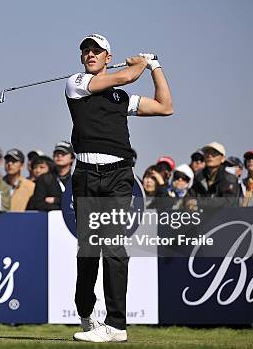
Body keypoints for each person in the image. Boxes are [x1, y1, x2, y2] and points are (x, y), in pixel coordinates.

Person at [65, 34, 172, 342]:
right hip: (86, 175)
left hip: (118, 177)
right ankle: (86, 311)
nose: (89, 54)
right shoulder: (76, 83)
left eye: (96, 50)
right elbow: (126, 76)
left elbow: (166, 106)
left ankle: (116, 326)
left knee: (114, 247)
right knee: (88, 250)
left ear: (107, 57)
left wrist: (155, 66)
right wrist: (139, 64)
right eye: (85, 50)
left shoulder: (121, 99)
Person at [187, 142, 241, 209]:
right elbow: (190, 195)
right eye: (207, 153)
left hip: (222, 217)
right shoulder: (198, 177)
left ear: (223, 159)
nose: (210, 156)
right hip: (200, 217)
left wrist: (200, 203)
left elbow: (228, 202)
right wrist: (189, 202)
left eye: (214, 153)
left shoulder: (230, 178)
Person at [28, 141, 74, 211]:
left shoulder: (77, 178)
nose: (59, 156)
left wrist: (56, 200)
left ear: (72, 158)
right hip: (51, 220)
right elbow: (38, 204)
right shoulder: (44, 178)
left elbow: (79, 202)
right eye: (56, 153)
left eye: (63, 153)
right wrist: (61, 207)